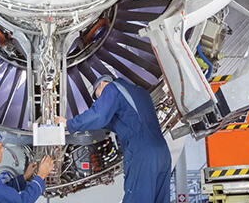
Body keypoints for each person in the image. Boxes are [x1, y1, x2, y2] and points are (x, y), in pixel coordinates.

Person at [55, 74, 171, 203]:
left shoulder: (112, 88)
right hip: (163, 153)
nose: (99, 100)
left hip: (142, 153)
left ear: (102, 84)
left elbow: (98, 115)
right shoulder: (140, 93)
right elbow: (114, 122)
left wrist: (69, 123)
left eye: (99, 97)